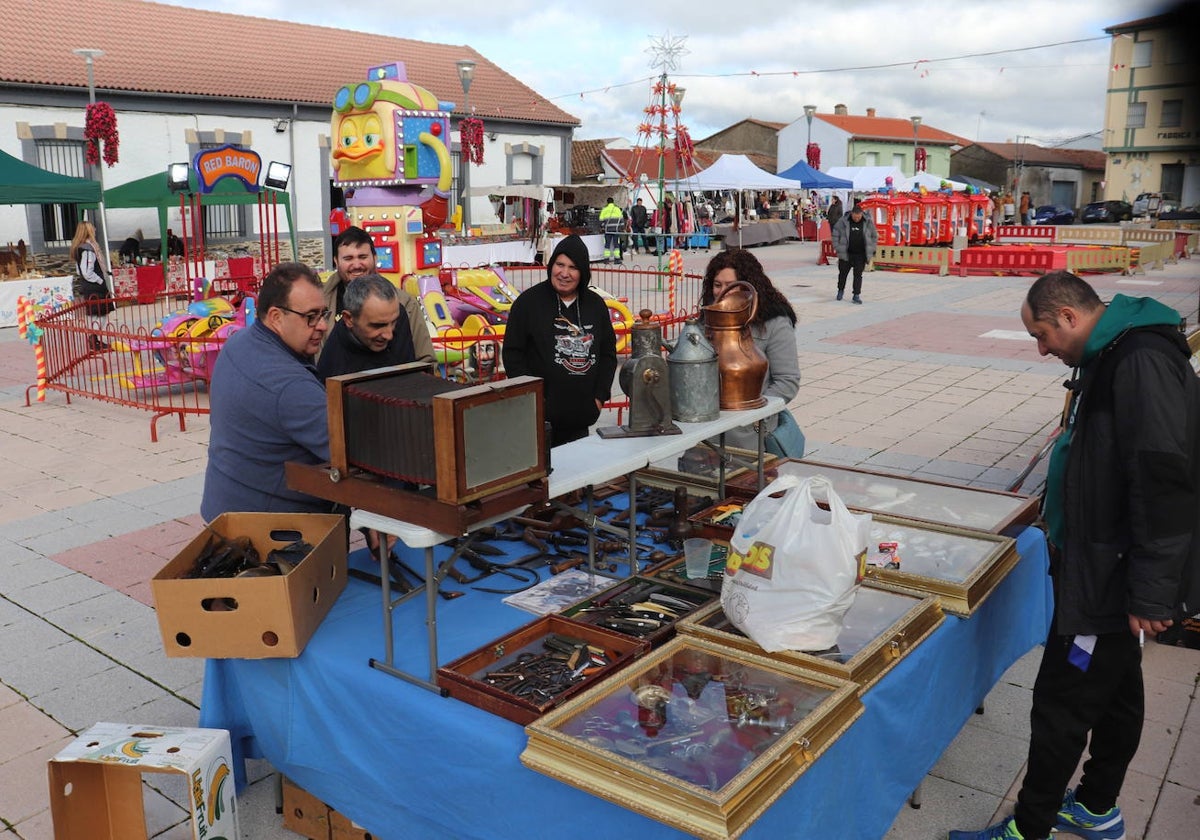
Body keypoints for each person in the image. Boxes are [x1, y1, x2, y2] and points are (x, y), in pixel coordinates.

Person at [951, 271, 1199, 840]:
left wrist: (1153, 590)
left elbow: (1163, 480)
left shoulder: (1137, 362)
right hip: (1101, 562)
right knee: (1117, 690)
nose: (1042, 349)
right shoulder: (1114, 351)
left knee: (1061, 702)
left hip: (1106, 577)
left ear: (1068, 316)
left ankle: (1029, 829)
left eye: (1042, 334)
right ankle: (1095, 806)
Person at [201, 262, 338, 520]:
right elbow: (350, 452)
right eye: (311, 317)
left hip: (224, 505)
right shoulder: (290, 386)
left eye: (324, 314)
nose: (321, 326)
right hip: (273, 530)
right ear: (276, 317)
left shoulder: (240, 341)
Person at [502, 234, 617, 446]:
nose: (564, 273)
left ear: (583, 272)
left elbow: (608, 354)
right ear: (551, 265)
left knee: (577, 474)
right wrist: (531, 398)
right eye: (559, 264)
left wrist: (599, 398)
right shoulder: (528, 303)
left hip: (581, 417)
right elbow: (512, 354)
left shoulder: (595, 305)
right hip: (538, 419)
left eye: (573, 267)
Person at [700, 248, 803, 456]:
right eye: (717, 285)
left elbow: (787, 381)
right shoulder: (708, 319)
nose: (722, 293)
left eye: (730, 286)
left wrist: (756, 415)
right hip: (705, 431)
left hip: (750, 435)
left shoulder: (774, 322)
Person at [320, 226, 435, 363]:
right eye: (348, 258)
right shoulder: (320, 304)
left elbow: (425, 358)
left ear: (375, 258)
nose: (356, 265)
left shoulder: (405, 303)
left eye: (363, 257)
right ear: (336, 261)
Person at [316, 273, 417, 379]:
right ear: (349, 319)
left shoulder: (396, 313)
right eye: (378, 325)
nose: (389, 335)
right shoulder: (335, 368)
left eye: (394, 322)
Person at [69, 220, 114, 330]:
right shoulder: (88, 249)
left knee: (97, 313)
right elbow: (86, 272)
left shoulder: (80, 248)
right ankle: (94, 338)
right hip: (94, 286)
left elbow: (79, 270)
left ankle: (95, 338)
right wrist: (100, 281)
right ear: (88, 231)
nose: (95, 229)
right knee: (100, 313)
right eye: (92, 227)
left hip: (89, 285)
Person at [830, 202, 878, 304]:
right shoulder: (843, 221)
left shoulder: (868, 221)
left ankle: (856, 295)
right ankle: (840, 290)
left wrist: (871, 249)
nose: (857, 219)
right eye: (855, 217)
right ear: (852, 214)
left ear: (861, 214)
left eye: (858, 217)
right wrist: (838, 248)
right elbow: (835, 234)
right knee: (843, 274)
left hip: (860, 254)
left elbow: (874, 236)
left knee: (858, 275)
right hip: (846, 253)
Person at [599, 196, 624, 264]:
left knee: (607, 245)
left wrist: (603, 227)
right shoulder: (617, 209)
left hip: (607, 230)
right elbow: (621, 219)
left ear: (607, 202)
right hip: (616, 230)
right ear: (613, 202)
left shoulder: (604, 209)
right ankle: (617, 259)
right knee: (616, 244)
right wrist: (622, 227)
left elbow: (601, 220)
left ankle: (606, 259)